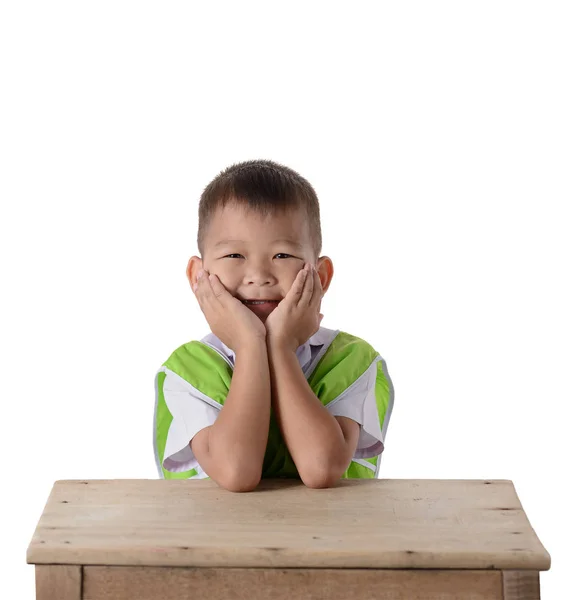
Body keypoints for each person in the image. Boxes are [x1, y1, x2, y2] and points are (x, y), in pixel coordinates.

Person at [153, 159, 394, 492]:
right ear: (198, 276)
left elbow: (321, 468)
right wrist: (252, 345)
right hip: (218, 542)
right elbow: (236, 471)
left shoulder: (350, 361)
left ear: (320, 277)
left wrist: (279, 346)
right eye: (234, 256)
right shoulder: (187, 370)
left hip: (332, 541)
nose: (259, 276)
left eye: (282, 255)